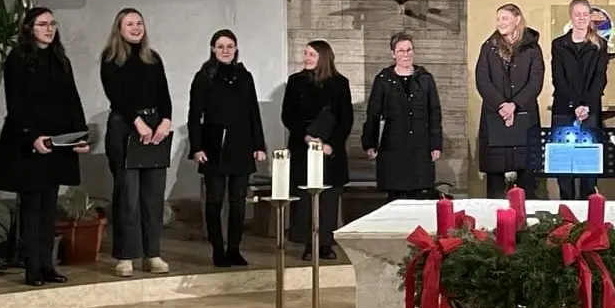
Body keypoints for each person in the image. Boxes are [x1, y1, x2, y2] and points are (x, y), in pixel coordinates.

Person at [0, 7, 90, 287]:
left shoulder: (60, 59)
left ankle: (48, 264)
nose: (49, 28)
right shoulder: (18, 59)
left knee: (49, 206)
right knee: (32, 207)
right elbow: (17, 104)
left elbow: (72, 99)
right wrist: (33, 136)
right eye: (42, 24)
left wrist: (78, 136)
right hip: (30, 144)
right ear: (29, 29)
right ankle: (32, 267)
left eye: (52, 23)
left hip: (58, 142)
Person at [100, 7, 174, 278]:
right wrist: (137, 122)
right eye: (129, 23)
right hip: (125, 128)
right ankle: (126, 256)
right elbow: (116, 95)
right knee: (127, 196)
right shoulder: (111, 59)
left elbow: (164, 93)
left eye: (139, 23)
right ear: (119, 29)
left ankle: (153, 253)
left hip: (155, 128)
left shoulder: (153, 58)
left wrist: (165, 120)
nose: (135, 27)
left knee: (153, 195)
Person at [187, 29, 267, 267]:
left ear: (236, 49)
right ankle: (217, 250)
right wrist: (196, 147)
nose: (225, 50)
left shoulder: (245, 76)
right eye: (220, 46)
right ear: (213, 49)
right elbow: (194, 115)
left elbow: (253, 112)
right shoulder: (204, 76)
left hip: (241, 145)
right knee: (214, 201)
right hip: (214, 146)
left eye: (229, 46)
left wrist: (258, 145)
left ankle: (234, 249)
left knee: (238, 201)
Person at [282, 40, 354, 260]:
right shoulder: (295, 82)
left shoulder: (340, 83)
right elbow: (288, 115)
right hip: (303, 146)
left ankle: (325, 243)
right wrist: (305, 135)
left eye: (312, 54)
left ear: (323, 57)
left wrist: (330, 144)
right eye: (305, 54)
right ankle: (307, 243)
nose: (307, 58)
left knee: (328, 199)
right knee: (304, 198)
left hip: (330, 150)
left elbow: (346, 118)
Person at [362, 31, 444, 201]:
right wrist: (369, 143)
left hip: (420, 147)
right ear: (393, 54)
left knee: (420, 196)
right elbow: (373, 113)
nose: (406, 54)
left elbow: (434, 112)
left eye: (409, 50)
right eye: (401, 51)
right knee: (395, 197)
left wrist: (436, 144)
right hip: (392, 148)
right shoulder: (383, 79)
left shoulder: (425, 79)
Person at [474, 3, 544, 199]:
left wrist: (515, 105)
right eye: (498, 19)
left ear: (517, 20)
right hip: (495, 117)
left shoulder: (532, 48)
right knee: (496, 183)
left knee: (526, 183)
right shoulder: (488, 47)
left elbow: (535, 81)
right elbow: (482, 80)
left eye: (504, 18)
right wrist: (502, 105)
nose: (500, 23)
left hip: (524, 117)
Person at [550, 0, 609, 200]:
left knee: (587, 166)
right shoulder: (558, 44)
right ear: (571, 16)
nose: (581, 18)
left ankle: (587, 211)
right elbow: (559, 78)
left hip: (590, 111)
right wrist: (574, 105)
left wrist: (586, 106)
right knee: (564, 165)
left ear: (590, 16)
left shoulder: (600, 44)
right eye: (578, 14)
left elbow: (599, 79)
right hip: (564, 110)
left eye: (585, 14)